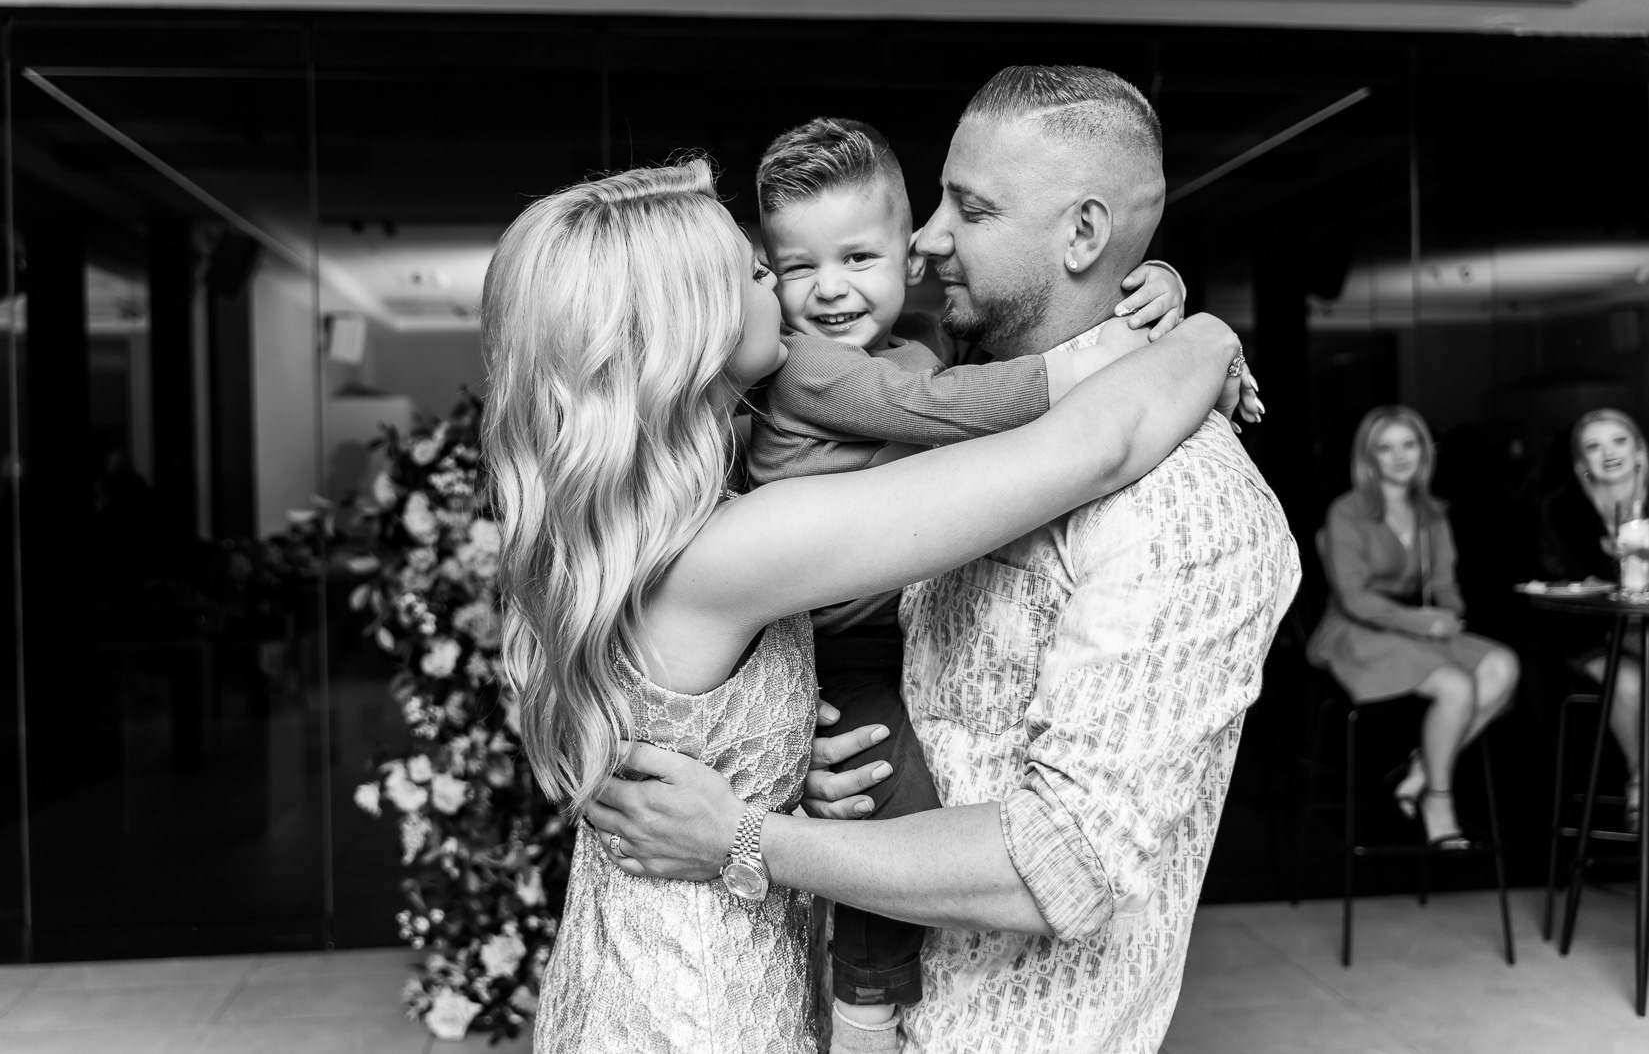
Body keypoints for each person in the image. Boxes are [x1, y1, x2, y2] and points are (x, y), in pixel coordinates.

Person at [587, 65, 1299, 1054]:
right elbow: (1060, 437)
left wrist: (755, 830)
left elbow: (1066, 862)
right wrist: (795, 774)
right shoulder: (788, 482)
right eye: (768, 271)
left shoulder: (1184, 504)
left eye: (966, 207)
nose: (923, 238)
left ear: (1083, 234)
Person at [745, 114, 1204, 1043]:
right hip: (831, 644)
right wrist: (1153, 348)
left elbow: (992, 360)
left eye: (857, 257)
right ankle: (865, 1003)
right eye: (797, 268)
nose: (828, 288)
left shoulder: (918, 335)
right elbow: (948, 406)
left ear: (907, 254)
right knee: (889, 796)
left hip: (893, 625)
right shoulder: (806, 369)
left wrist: (1159, 288)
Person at [1308, 406, 1519, 848]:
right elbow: (1354, 598)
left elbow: (1444, 585)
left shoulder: (1431, 513)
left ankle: (1421, 770)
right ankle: (1438, 801)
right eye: (1386, 448)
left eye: (1409, 444)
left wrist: (1450, 613)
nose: (1400, 456)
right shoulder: (1347, 511)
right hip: (1355, 631)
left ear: (1424, 451)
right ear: (1369, 457)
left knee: (1503, 666)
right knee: (1457, 686)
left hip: (1412, 628)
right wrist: (1421, 622)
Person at [1539, 408, 1647, 830]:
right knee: (1629, 683)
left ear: (1639, 450)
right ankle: (1641, 782)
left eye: (1619, 441)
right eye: (1594, 446)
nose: (1609, 453)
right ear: (1582, 463)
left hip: (1643, 630)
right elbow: (1556, 576)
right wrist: (1609, 565)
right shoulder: (1563, 510)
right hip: (1590, 635)